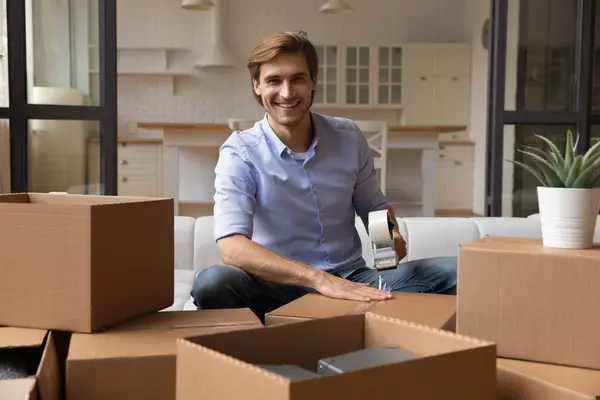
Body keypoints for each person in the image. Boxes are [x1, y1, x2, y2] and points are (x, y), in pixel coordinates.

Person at [191, 30, 457, 321]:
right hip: (275, 290)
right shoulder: (239, 152)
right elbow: (231, 249)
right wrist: (318, 279)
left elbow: (373, 208)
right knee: (212, 283)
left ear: (314, 80)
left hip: (352, 281)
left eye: (298, 79)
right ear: (256, 86)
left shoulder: (349, 136)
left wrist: (388, 240)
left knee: (461, 273)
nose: (287, 92)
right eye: (274, 80)